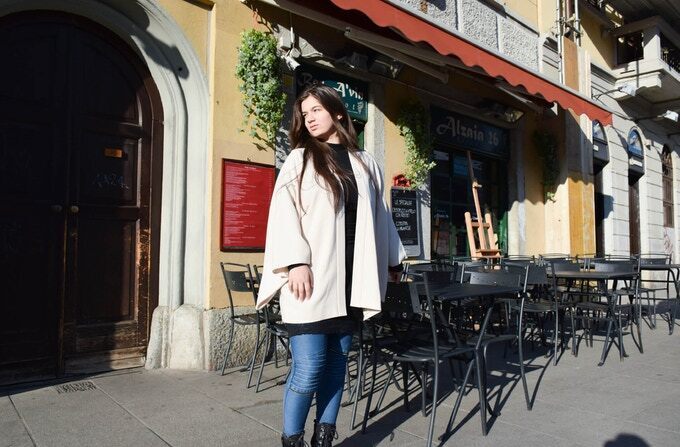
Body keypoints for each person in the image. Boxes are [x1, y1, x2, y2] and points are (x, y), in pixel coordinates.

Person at [256, 84, 406, 447]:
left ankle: (324, 438)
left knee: (337, 364)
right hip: (311, 278)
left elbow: (381, 216)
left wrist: (392, 261)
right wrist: (295, 261)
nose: (308, 118)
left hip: (353, 279)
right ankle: (292, 440)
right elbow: (283, 213)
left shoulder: (366, 162)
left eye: (316, 110)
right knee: (309, 368)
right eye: (304, 113)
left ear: (338, 112)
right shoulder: (300, 159)